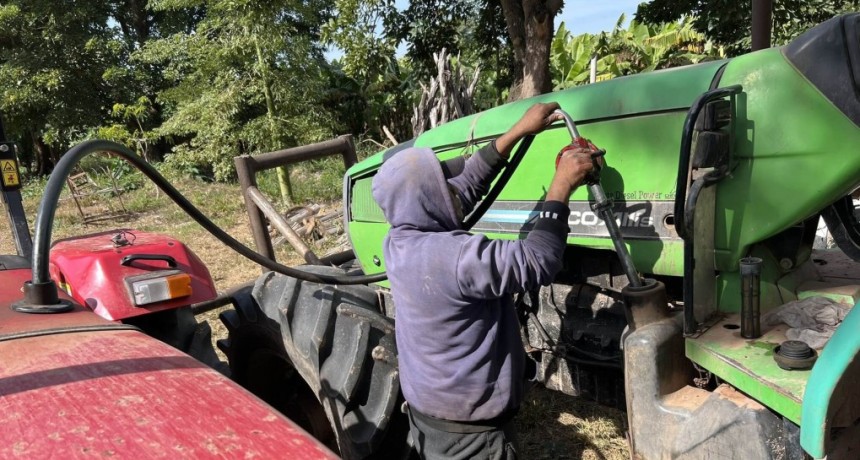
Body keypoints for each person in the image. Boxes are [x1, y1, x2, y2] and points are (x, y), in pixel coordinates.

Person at [371, 102, 595, 460]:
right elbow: (538, 260)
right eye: (442, 183)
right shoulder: (456, 256)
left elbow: (466, 187)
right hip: (471, 439)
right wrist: (561, 186)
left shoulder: (399, 239)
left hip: (429, 413)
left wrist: (518, 131)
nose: (453, 187)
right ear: (430, 200)